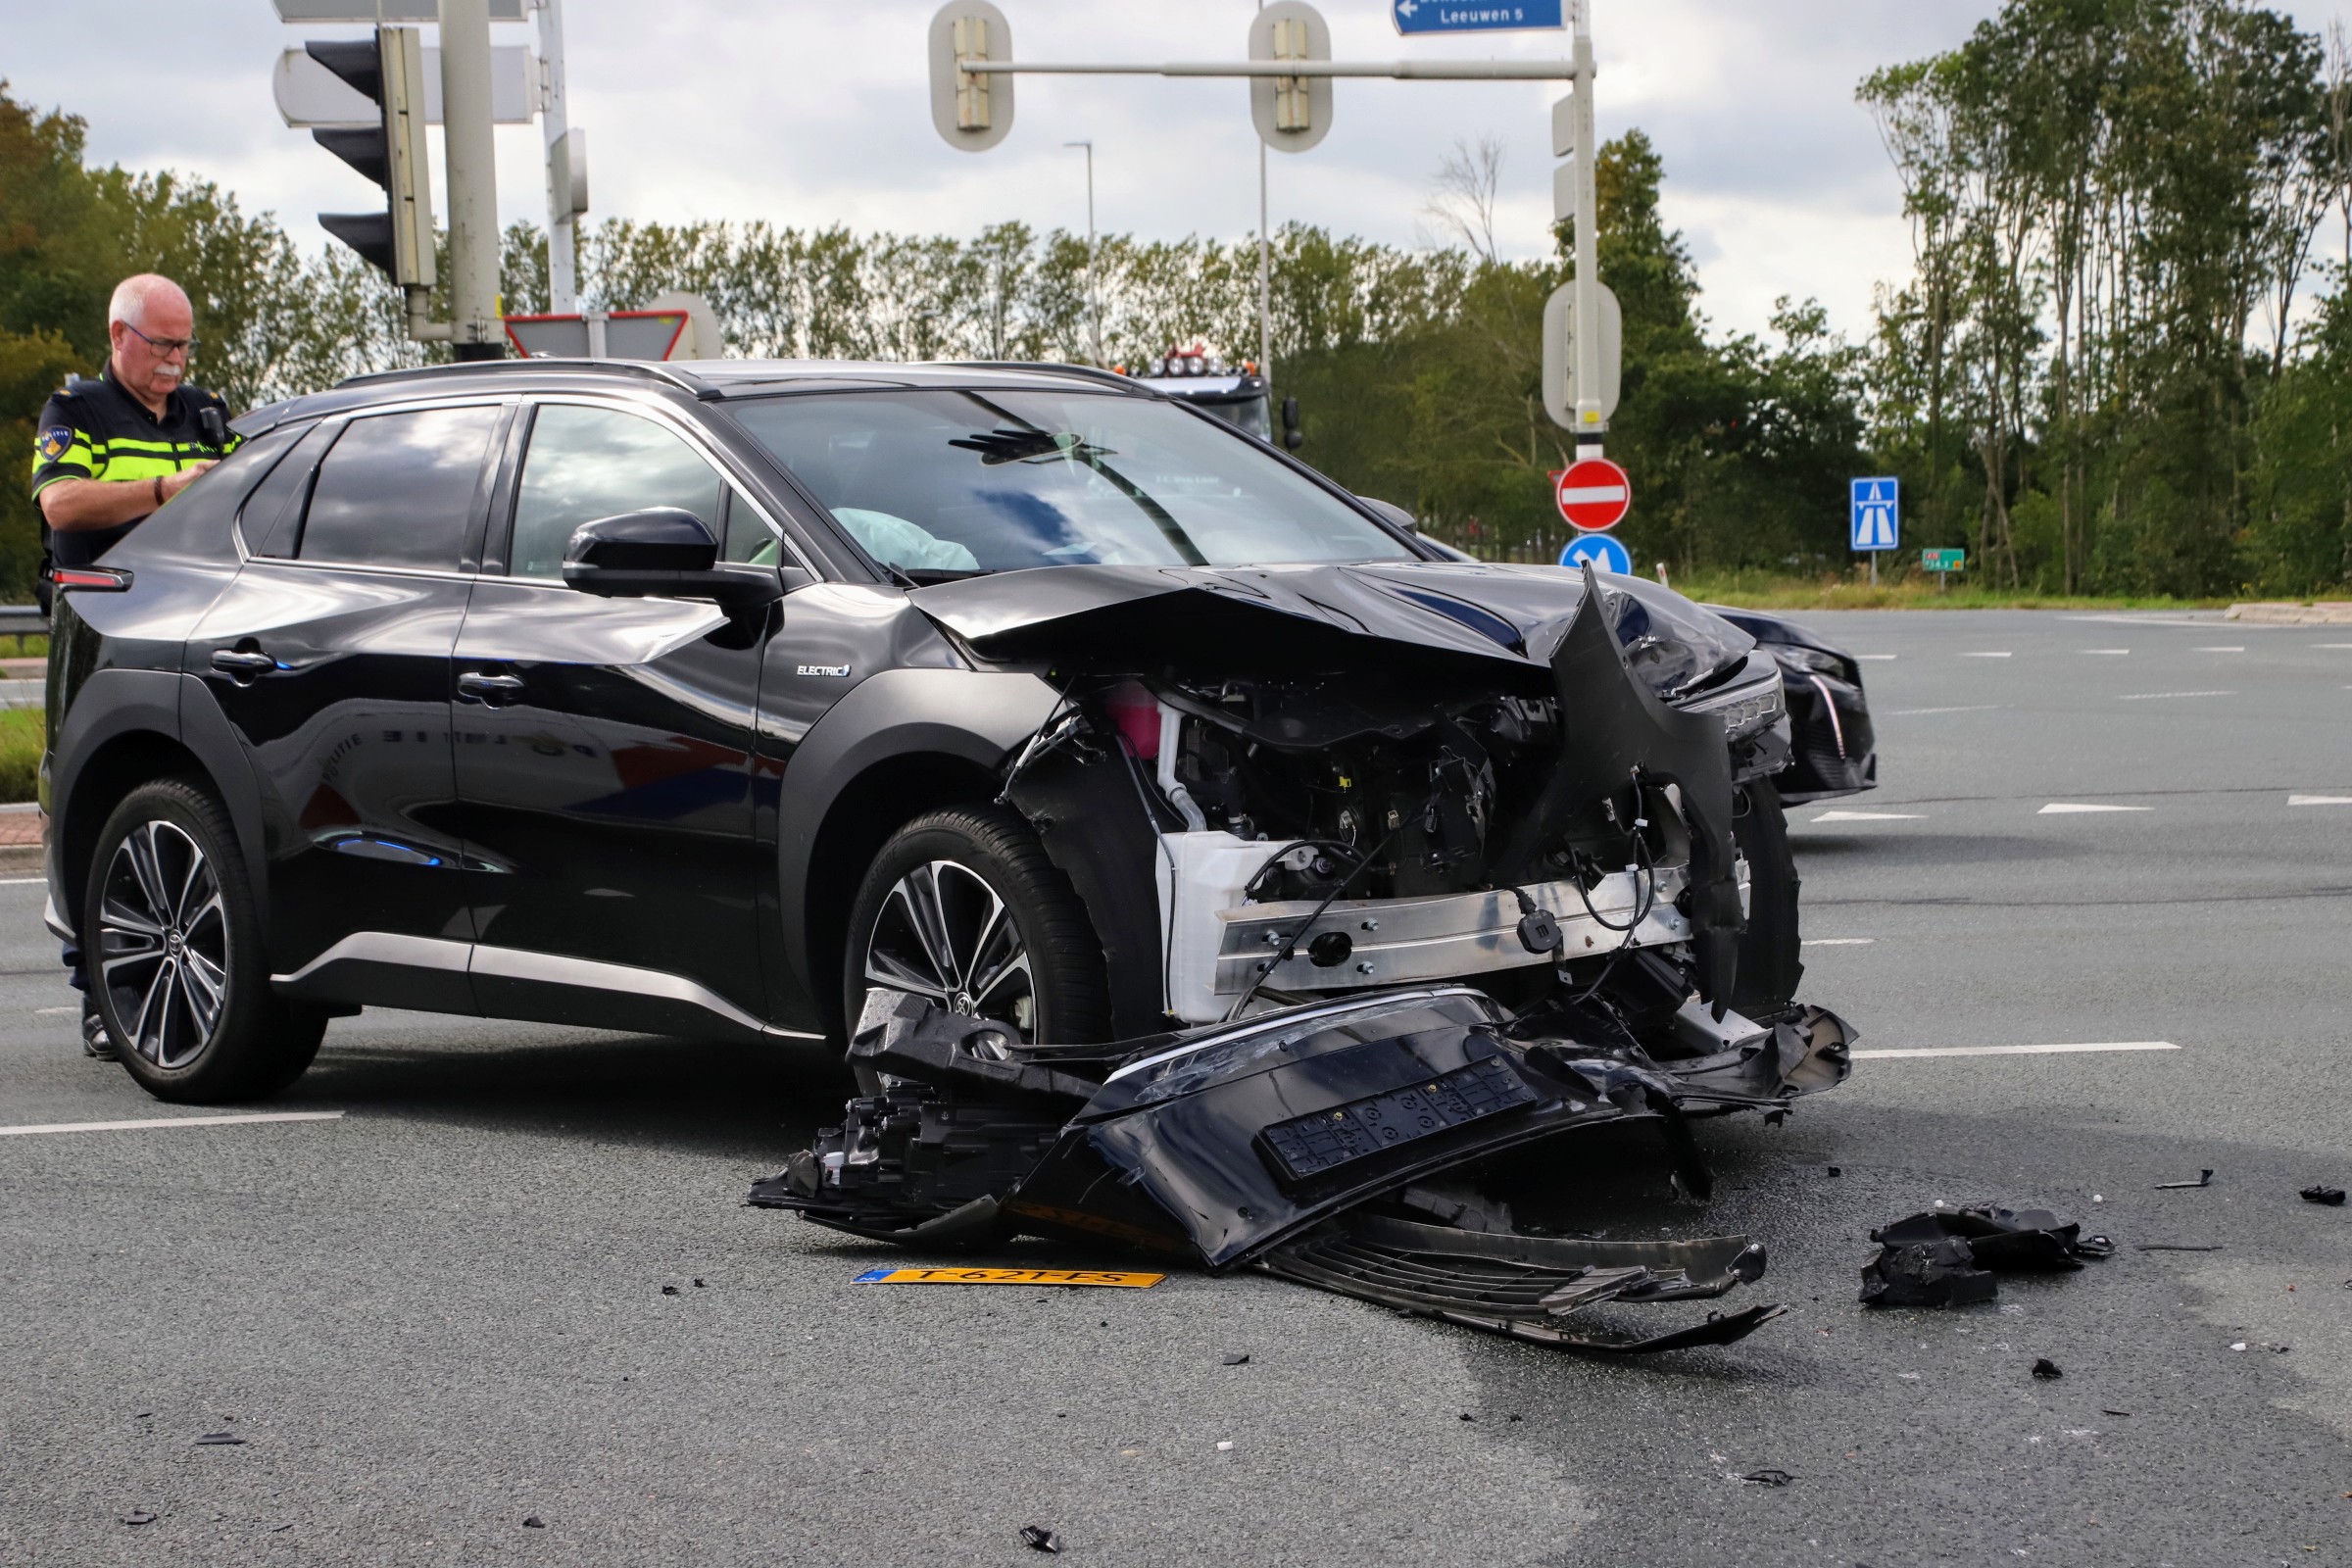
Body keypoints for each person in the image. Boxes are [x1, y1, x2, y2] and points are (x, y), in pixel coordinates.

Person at [28, 273, 238, 1060]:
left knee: (178, 800)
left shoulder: (204, 411)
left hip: (189, 619)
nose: (176, 362)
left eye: (185, 345)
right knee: (90, 800)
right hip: (102, 625)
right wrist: (162, 489)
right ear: (120, 336)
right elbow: (62, 505)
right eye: (162, 345)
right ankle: (100, 992)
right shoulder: (76, 411)